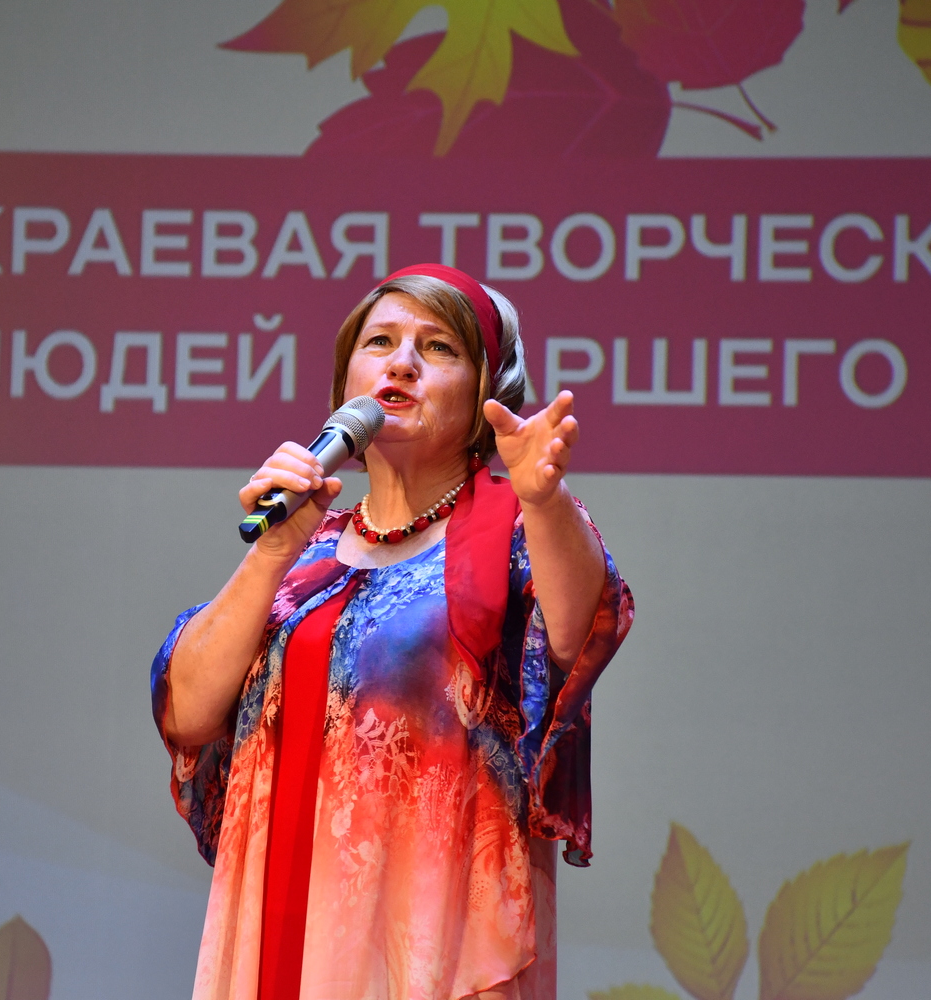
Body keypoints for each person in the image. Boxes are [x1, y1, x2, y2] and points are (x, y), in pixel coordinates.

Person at [151, 263, 633, 1000]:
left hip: (429, 942)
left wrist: (543, 499)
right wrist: (272, 553)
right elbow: (186, 712)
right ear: (346, 380)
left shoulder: (513, 528)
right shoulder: (304, 548)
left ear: (484, 393)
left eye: (438, 347)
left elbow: (576, 635)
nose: (402, 362)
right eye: (380, 342)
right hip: (282, 928)